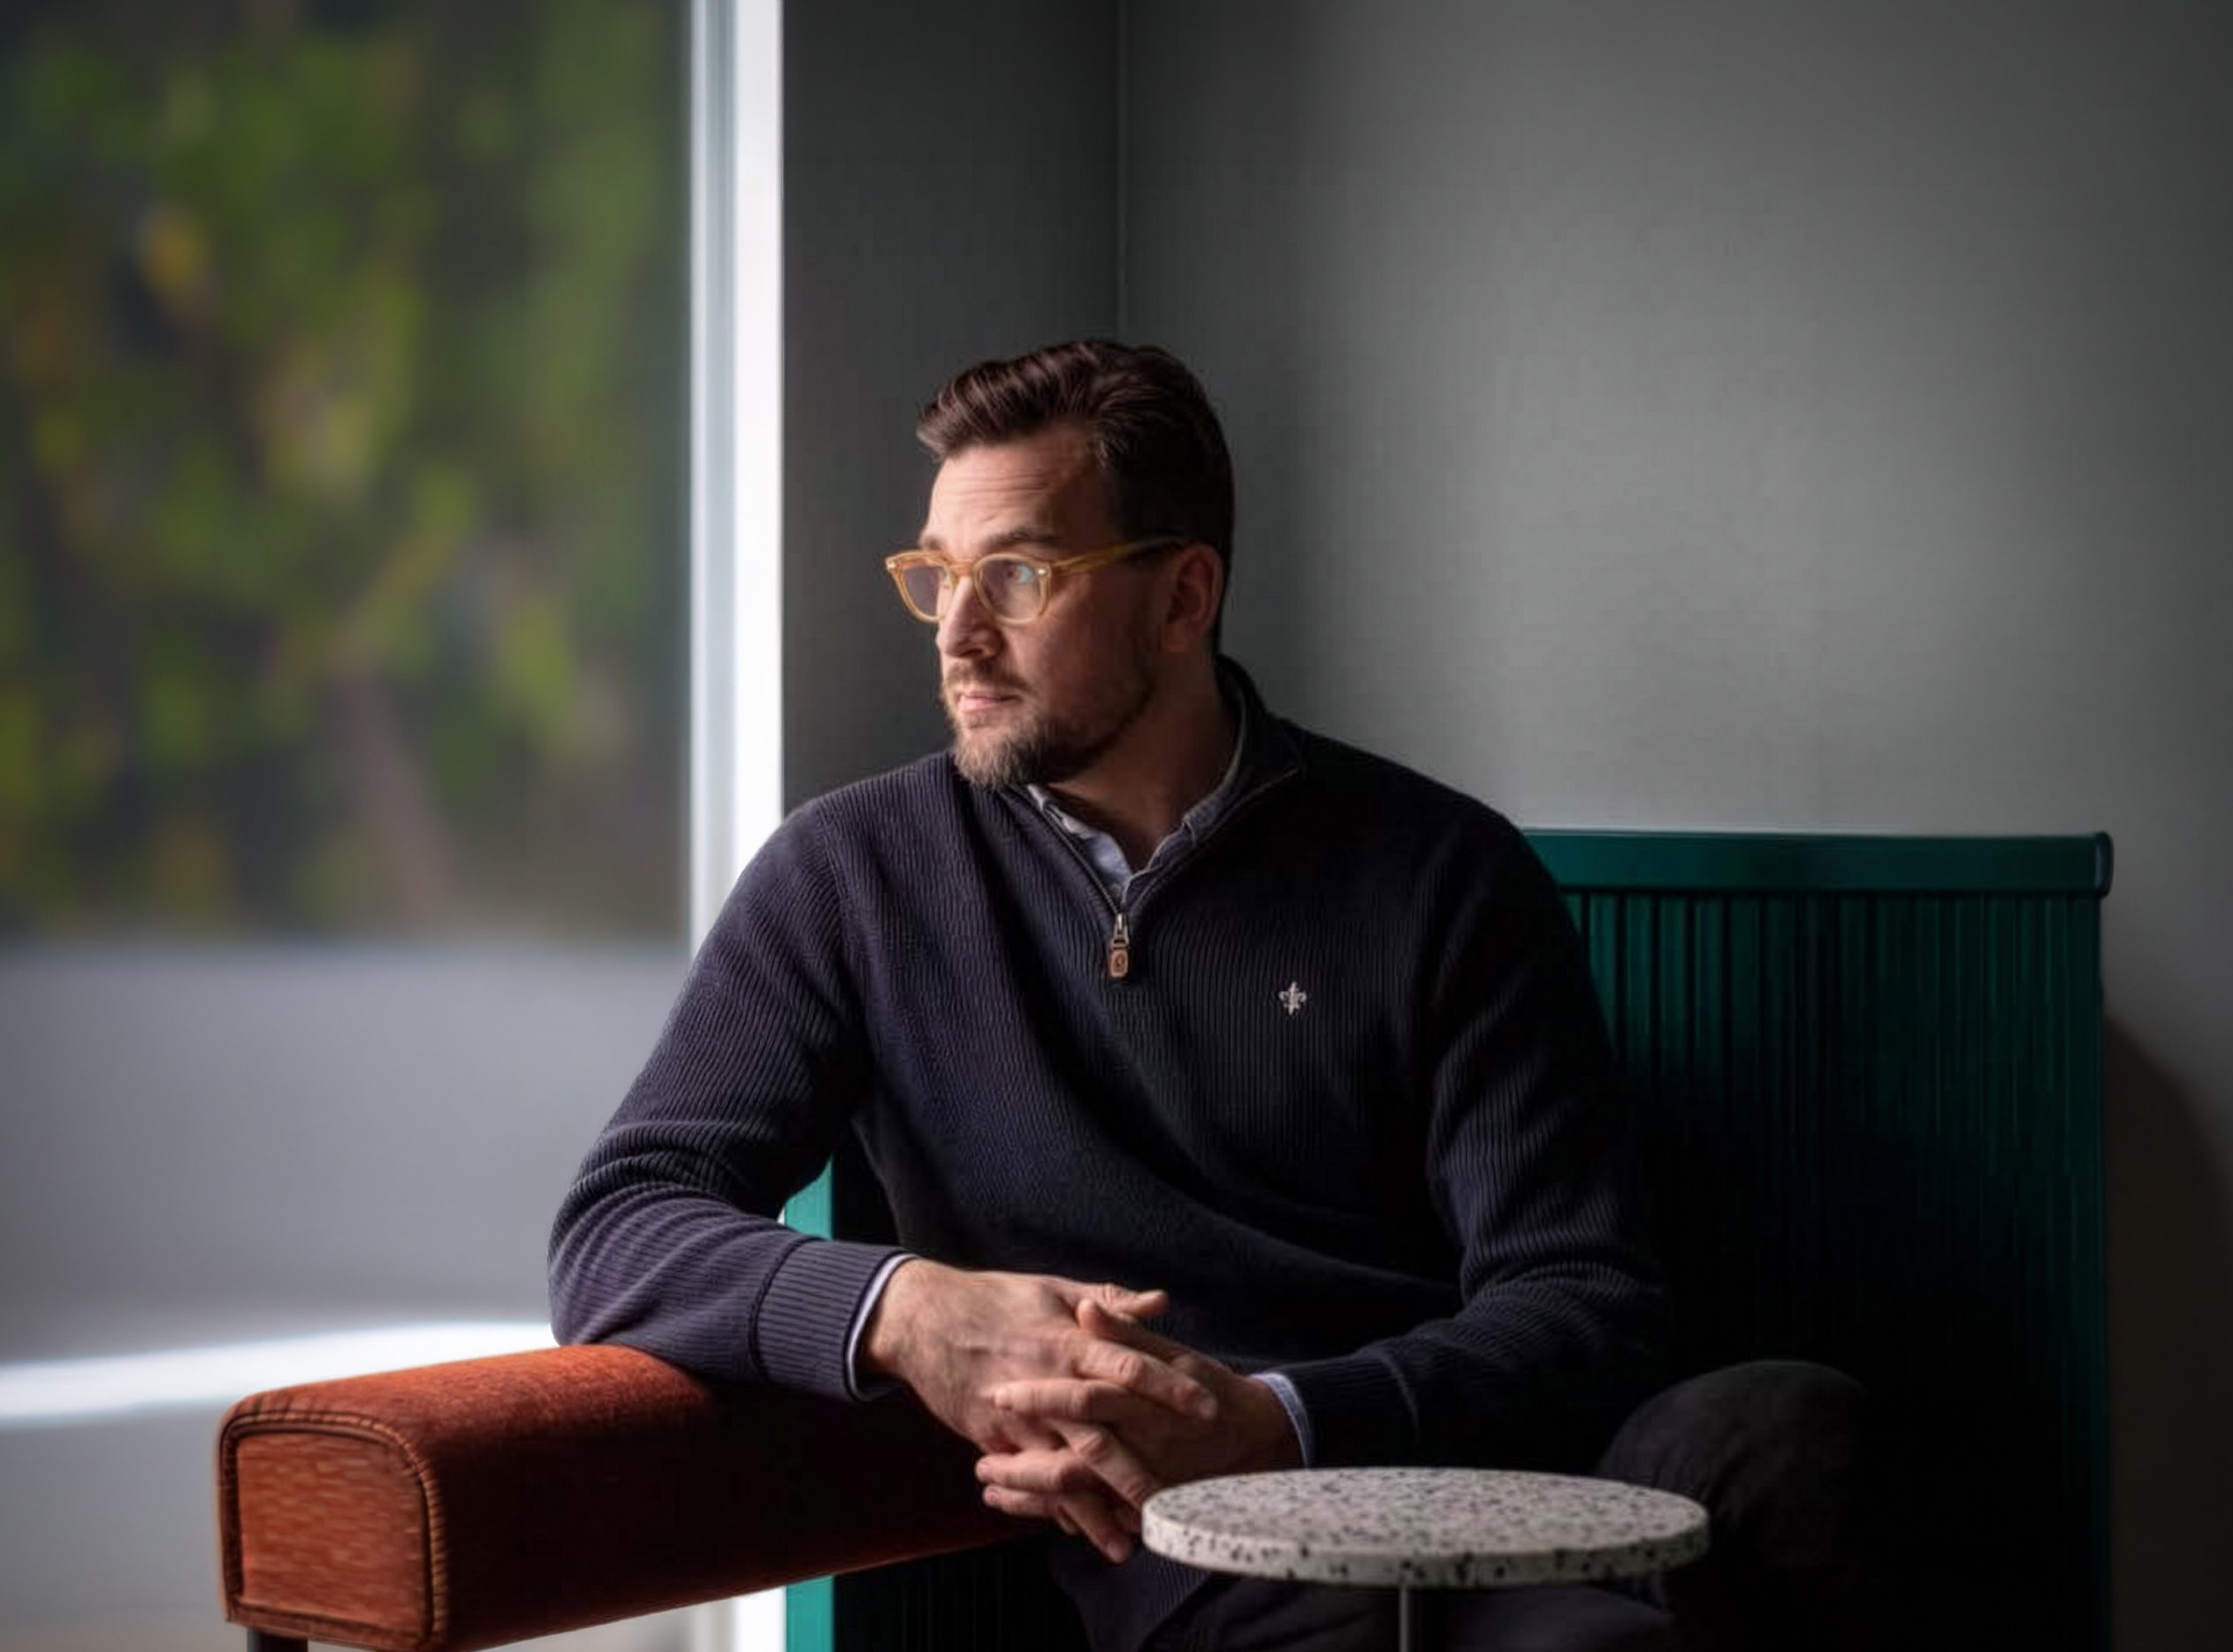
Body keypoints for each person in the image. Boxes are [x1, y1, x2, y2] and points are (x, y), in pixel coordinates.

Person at [549, 340, 1876, 1651]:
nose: (958, 632)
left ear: (1183, 597)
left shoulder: (1442, 870)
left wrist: (1284, 1418)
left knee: (1796, 1429)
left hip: (1482, 1446)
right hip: (1200, 1535)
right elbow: (618, 1226)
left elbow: (1582, 1297)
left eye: (1017, 575)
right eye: (938, 575)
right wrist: (911, 1311)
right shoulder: (850, 874)